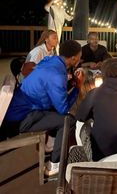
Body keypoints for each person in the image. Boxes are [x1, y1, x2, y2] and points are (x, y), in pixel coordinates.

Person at [3, 40, 84, 176]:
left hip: (17, 107)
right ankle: (54, 164)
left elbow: (48, 87)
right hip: (20, 119)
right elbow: (63, 109)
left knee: (55, 107)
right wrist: (78, 87)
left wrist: (69, 83)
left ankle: (49, 146)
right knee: (68, 120)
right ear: (74, 58)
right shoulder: (57, 75)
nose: (80, 58)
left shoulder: (50, 60)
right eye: (80, 56)